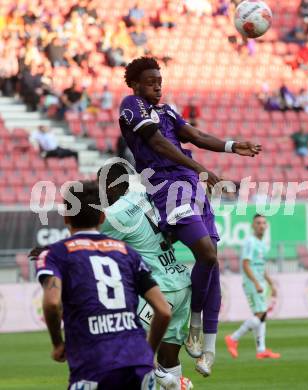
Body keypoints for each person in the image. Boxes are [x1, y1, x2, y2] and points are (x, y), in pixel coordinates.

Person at [119, 56, 261, 376]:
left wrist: (231, 145)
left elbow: (195, 136)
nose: (158, 84)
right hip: (168, 187)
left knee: (212, 262)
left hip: (193, 188)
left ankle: (206, 347)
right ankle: (194, 322)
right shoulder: (132, 105)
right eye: (151, 80)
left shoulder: (167, 110)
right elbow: (155, 142)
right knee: (206, 254)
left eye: (160, 79)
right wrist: (197, 167)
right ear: (136, 84)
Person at [33, 180, 171, 389]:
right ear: (103, 216)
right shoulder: (128, 253)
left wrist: (57, 343)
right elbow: (163, 311)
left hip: (94, 365)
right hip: (139, 363)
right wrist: (147, 352)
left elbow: (52, 303)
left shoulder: (55, 254)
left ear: (66, 217)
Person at [98, 161, 193, 389]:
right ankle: (173, 380)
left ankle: (171, 382)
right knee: (169, 357)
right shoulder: (147, 196)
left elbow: (87, 238)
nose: (102, 195)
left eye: (102, 188)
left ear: (110, 186)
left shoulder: (115, 213)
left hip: (159, 289)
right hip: (181, 282)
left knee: (127, 346)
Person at [225, 214, 280, 360]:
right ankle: (233, 338)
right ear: (253, 226)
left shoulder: (262, 244)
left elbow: (261, 267)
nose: (261, 225)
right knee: (260, 313)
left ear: (266, 226)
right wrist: (255, 282)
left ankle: (261, 349)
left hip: (259, 282)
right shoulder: (250, 242)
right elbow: (245, 264)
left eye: (263, 223)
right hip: (252, 282)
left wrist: (270, 283)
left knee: (262, 315)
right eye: (258, 223)